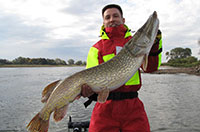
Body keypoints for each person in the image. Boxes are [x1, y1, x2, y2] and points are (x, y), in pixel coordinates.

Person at [81, 4, 162, 132]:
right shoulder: (96, 48)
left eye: (115, 16)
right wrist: (87, 91)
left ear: (123, 20)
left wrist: (155, 43)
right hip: (105, 108)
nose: (112, 19)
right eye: (107, 17)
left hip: (132, 107)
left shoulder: (133, 43)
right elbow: (90, 79)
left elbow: (150, 68)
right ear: (103, 22)